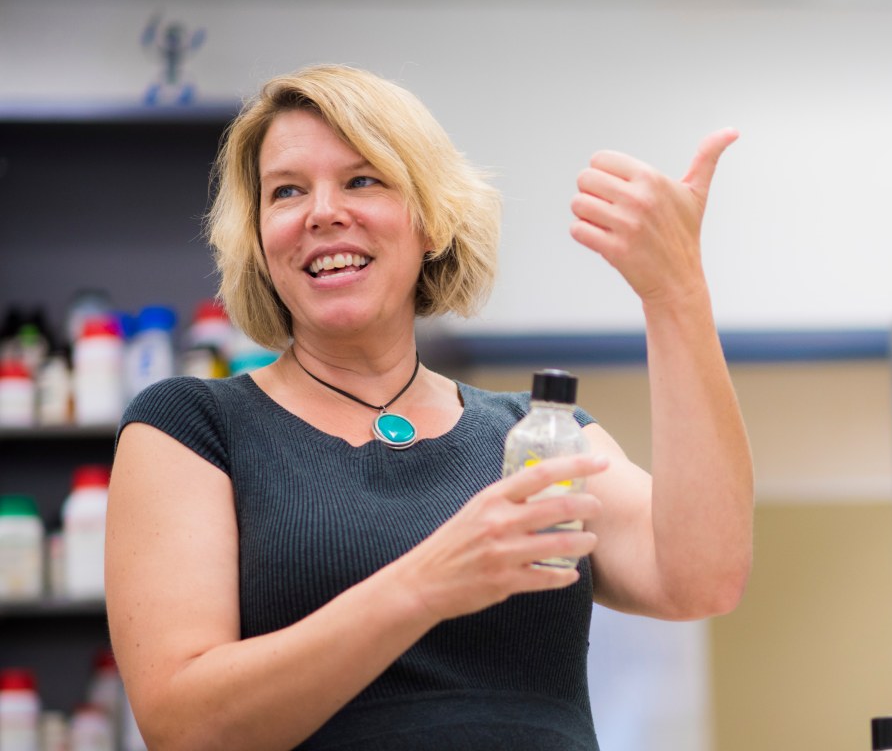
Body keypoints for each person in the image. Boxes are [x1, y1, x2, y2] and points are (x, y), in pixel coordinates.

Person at [106, 63, 753, 750]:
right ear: (263, 244)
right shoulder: (192, 427)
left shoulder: (537, 436)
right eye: (287, 192)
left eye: (363, 180)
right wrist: (426, 584)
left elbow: (702, 578)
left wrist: (676, 292)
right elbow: (182, 724)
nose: (322, 212)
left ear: (432, 222)